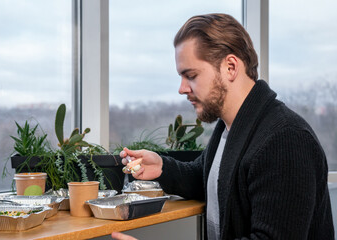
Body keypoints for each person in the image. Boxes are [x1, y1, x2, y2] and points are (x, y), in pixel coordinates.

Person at [112, 13, 334, 240]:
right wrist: (162, 168)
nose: (182, 88)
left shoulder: (285, 139)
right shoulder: (230, 127)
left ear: (230, 67)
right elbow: (211, 179)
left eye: (191, 75)